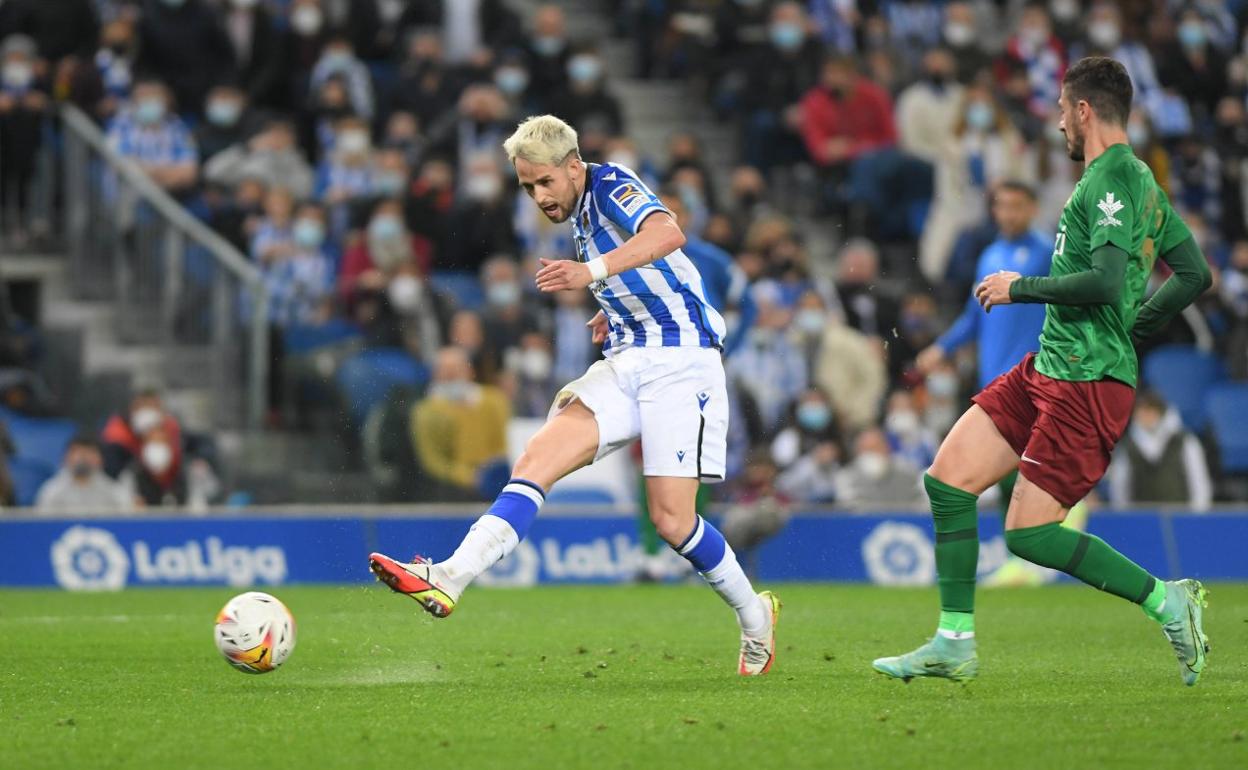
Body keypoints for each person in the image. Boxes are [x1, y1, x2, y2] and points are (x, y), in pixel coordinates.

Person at [369, 115, 781, 675]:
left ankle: (755, 618)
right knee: (538, 456)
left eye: (544, 183)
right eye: (527, 187)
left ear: (572, 167)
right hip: (628, 357)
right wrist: (611, 306)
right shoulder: (579, 211)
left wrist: (592, 272)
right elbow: (646, 271)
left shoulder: (609, 182)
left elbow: (668, 234)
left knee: (672, 522)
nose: (539, 196)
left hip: (683, 362)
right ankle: (448, 576)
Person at [872, 57, 1214, 686]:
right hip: (1048, 366)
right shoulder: (1140, 183)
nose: (1059, 123)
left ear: (1084, 110)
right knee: (948, 482)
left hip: (1087, 383)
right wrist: (1137, 325)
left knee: (1029, 537)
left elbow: (1109, 280)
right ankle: (953, 641)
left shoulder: (1111, 181)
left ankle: (1169, 601)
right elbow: (1194, 275)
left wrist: (1019, 287)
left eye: (1062, 110)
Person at [410, 346, 510, 501]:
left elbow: (503, 444)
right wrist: (469, 477)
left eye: (456, 369)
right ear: (435, 375)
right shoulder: (426, 411)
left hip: (495, 479)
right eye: (445, 371)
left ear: (470, 371)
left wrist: (491, 474)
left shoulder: (494, 400)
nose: (451, 376)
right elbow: (433, 462)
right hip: (450, 489)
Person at [1108, 391, 1212, 511]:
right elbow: (1120, 489)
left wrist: (1196, 515)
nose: (1145, 416)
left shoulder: (1185, 442)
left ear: (1160, 412)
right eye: (1141, 412)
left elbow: (1199, 482)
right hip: (1141, 518)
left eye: (1150, 411)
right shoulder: (1128, 447)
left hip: (1180, 515)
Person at [35, 437, 133, 514]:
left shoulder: (113, 490)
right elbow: (41, 523)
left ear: (100, 459)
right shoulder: (52, 490)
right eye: (77, 452)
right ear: (65, 458)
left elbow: (128, 518)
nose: (83, 457)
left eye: (89, 452)